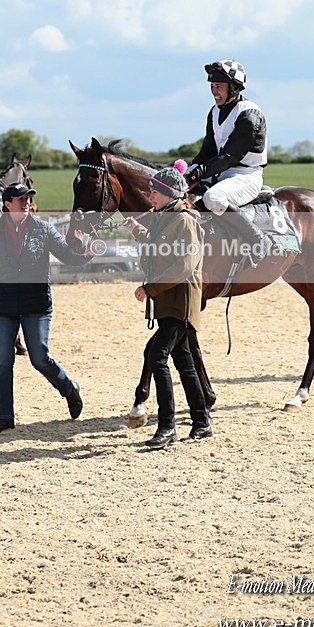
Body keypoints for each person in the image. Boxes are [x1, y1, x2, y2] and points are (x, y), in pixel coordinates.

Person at [0, 182, 92, 433]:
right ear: (7, 204)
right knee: (3, 363)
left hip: (36, 305)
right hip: (5, 306)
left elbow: (69, 257)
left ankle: (69, 389)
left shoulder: (44, 229)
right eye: (20, 198)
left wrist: (87, 251)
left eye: (28, 197)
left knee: (39, 358)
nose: (26, 201)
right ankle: (5, 417)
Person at [124, 166, 212, 449]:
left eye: (154, 191)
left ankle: (167, 426)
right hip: (168, 301)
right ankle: (201, 422)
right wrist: (136, 229)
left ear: (168, 194)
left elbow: (184, 266)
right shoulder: (165, 218)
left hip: (179, 302)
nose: (150, 195)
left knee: (155, 355)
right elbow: (156, 246)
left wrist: (150, 288)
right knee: (184, 362)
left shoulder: (184, 221)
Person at [184, 59, 271, 267]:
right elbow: (207, 151)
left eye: (219, 87)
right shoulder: (214, 112)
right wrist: (188, 172)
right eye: (212, 87)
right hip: (221, 174)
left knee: (213, 198)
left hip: (246, 176)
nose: (215, 92)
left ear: (233, 88)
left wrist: (197, 174)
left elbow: (229, 157)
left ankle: (258, 239)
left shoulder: (249, 115)